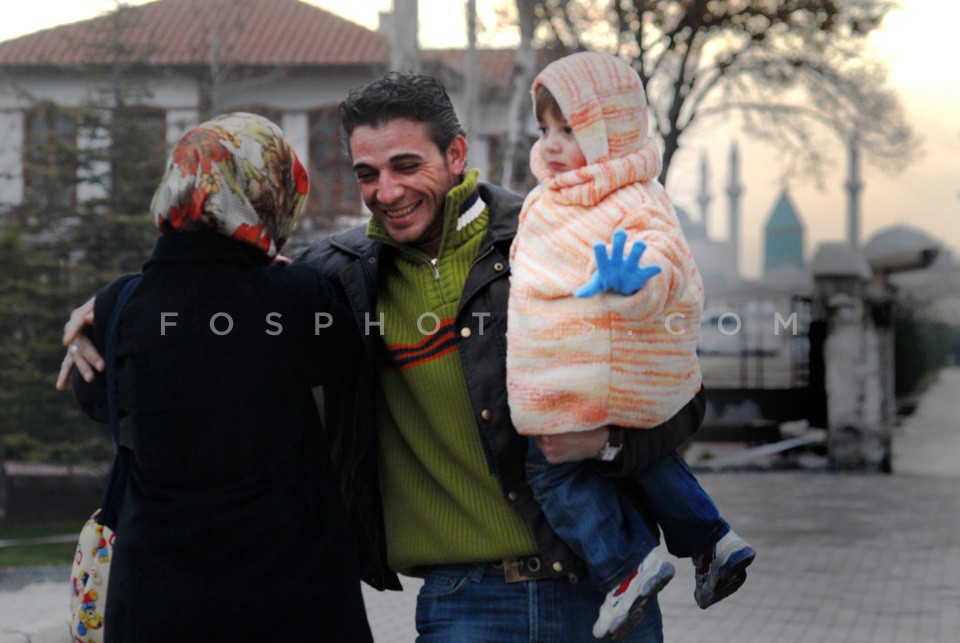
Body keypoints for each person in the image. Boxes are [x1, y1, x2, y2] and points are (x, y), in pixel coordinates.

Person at [60, 74, 705, 642]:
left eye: (405, 165)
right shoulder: (336, 279)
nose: (386, 191)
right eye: (367, 174)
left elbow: (680, 394)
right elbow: (218, 286)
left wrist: (610, 440)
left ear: (457, 155)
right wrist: (100, 313)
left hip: (601, 587)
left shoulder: (560, 243)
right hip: (461, 606)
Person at [67, 113, 373, 641]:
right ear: (267, 191)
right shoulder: (296, 300)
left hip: (155, 606)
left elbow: (96, 399)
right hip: (289, 601)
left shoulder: (119, 307)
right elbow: (353, 355)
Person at [507, 52, 755, 639]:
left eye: (571, 128)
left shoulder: (631, 196)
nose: (554, 142)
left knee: (551, 469)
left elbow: (667, 266)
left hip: (602, 366)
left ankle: (626, 566)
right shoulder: (550, 198)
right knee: (646, 461)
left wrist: (636, 284)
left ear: (609, 129)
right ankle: (712, 539)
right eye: (547, 129)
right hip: (579, 366)